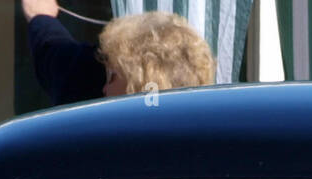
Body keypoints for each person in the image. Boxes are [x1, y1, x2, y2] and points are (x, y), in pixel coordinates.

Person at [22, 2, 214, 105]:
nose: (103, 89)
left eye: (112, 76)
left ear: (138, 87)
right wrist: (42, 19)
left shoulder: (113, 145)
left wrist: (41, 17)